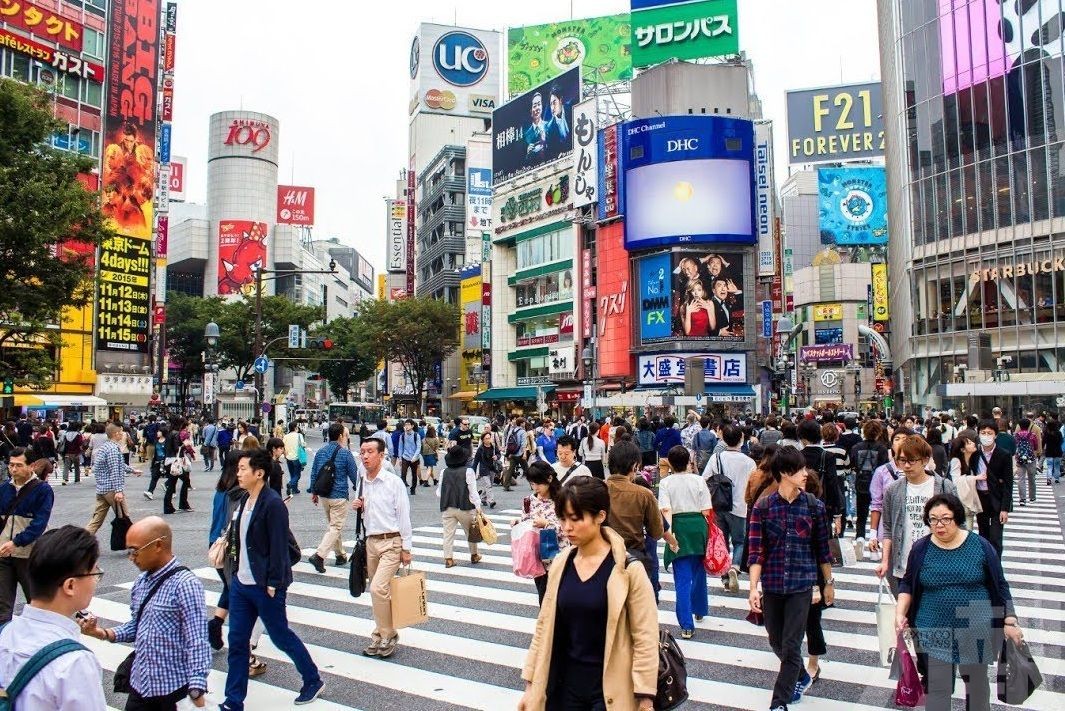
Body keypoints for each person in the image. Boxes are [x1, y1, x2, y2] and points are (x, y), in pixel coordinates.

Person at [518, 476, 658, 711]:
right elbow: (544, 626)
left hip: (611, 688)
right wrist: (530, 685)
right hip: (564, 686)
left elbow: (645, 635)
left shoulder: (628, 569)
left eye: (576, 518)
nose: (567, 527)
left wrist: (645, 697)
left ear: (600, 516)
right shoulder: (562, 563)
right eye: (563, 519)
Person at [896, 494, 1025, 711]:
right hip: (933, 626)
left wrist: (1010, 620)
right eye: (933, 519)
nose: (939, 525)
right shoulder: (921, 548)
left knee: (976, 686)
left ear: (957, 518)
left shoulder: (980, 545)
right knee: (938, 688)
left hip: (975, 626)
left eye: (945, 518)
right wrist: (900, 613)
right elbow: (908, 583)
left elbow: (999, 584)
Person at [220, 449, 324, 708]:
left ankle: (312, 679)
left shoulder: (273, 504)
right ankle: (233, 701)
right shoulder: (243, 500)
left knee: (280, 636)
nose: (238, 473)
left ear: (259, 473)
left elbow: (279, 547)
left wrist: (273, 583)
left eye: (244, 469)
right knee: (237, 642)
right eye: (239, 468)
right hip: (241, 584)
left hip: (265, 585)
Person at [79, 517, 209, 709]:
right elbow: (137, 625)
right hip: (140, 685)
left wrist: (197, 687)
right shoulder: (141, 582)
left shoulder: (185, 584)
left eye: (135, 550)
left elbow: (197, 638)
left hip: (172, 690)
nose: (131, 557)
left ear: (158, 545)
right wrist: (102, 633)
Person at [747, 446, 835, 711]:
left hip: (801, 584)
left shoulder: (813, 506)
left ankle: (778, 702)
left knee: (791, 642)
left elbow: (823, 549)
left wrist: (828, 583)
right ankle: (800, 675)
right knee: (776, 640)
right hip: (772, 583)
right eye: (799, 469)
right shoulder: (763, 507)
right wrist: (752, 588)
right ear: (785, 473)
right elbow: (756, 551)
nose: (805, 473)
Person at [0, 525, 107, 709]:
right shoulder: (75, 662)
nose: (95, 581)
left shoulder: (5, 633)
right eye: (94, 573)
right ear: (70, 586)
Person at [353, 437, 413, 659]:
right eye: (362, 452)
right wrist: (358, 505)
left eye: (370, 452)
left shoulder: (393, 482)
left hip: (391, 541)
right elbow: (365, 509)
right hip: (371, 541)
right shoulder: (362, 481)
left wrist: (406, 548)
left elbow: (403, 515)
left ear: (381, 455)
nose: (365, 456)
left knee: (378, 588)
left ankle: (388, 634)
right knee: (376, 590)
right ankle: (379, 634)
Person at [876, 436, 958, 598]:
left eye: (912, 460)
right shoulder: (893, 490)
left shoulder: (944, 486)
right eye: (902, 460)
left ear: (925, 460)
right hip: (903, 564)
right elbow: (887, 527)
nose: (906, 466)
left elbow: (958, 526)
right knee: (906, 617)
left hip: (937, 564)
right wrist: (885, 561)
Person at [659, 445, 711, 639]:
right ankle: (699, 609)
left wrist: (670, 536)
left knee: (682, 578)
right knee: (699, 570)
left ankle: (686, 625)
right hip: (698, 526)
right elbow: (707, 509)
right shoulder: (699, 480)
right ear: (688, 461)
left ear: (670, 463)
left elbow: (665, 510)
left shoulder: (666, 483)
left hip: (679, 526)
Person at [0, 448, 54, 623]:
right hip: (3, 553)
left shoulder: (43, 490)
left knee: (36, 601)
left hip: (29, 554)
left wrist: (16, 542)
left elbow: (39, 524)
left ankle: (41, 643)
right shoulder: (3, 489)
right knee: (2, 606)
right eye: (11, 465)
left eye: (18, 465)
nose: (13, 469)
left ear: (31, 466)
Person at [701, 424, 755, 593]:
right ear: (741, 439)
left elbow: (704, 479)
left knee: (722, 541)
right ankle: (736, 567)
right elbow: (753, 486)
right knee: (740, 541)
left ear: (723, 439)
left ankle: (724, 576)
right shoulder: (749, 462)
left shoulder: (716, 458)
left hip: (719, 505)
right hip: (740, 506)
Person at [604, 438, 664, 577]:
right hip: (633, 558)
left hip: (603, 558)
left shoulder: (597, 489)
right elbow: (656, 532)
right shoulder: (644, 494)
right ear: (635, 466)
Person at [308, 423, 360, 573]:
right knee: (335, 527)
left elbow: (314, 472)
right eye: (345, 435)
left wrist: (314, 492)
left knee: (333, 526)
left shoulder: (321, 452)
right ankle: (319, 555)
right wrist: (360, 492)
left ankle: (340, 555)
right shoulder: (345, 453)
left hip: (324, 494)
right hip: (339, 495)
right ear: (340, 436)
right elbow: (354, 475)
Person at [515, 461, 567, 604]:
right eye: (532, 484)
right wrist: (518, 523)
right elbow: (526, 521)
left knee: (553, 598)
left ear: (549, 479)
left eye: (538, 483)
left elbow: (568, 529)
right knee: (543, 595)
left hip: (557, 556)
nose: (535, 487)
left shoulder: (562, 500)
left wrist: (547, 524)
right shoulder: (529, 501)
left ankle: (550, 624)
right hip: (537, 556)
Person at [86, 423, 142, 535]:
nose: (122, 434)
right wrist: (119, 490)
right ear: (116, 434)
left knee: (96, 521)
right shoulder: (112, 449)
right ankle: (133, 543)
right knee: (124, 517)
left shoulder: (106, 447)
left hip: (102, 488)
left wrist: (132, 470)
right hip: (111, 489)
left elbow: (117, 464)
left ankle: (79, 543)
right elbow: (114, 470)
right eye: (121, 432)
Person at [970, 419, 1013, 557]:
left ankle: (996, 570)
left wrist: (1005, 509)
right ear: (978, 434)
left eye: (989, 433)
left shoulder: (1004, 454)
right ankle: (986, 567)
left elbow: (1008, 483)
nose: (986, 435)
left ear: (995, 435)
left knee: (995, 538)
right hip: (980, 499)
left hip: (996, 500)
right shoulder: (974, 454)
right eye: (983, 432)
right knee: (983, 536)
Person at [867, 427, 913, 554]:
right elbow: (876, 505)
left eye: (905, 439)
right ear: (892, 446)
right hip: (890, 531)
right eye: (897, 439)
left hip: (915, 529)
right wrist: (873, 534)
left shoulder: (922, 470)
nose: (901, 442)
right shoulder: (882, 472)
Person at [797, 419, 844, 538]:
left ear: (803, 438)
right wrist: (837, 514)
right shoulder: (828, 456)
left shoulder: (797, 456)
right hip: (823, 506)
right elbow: (833, 484)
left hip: (799, 506)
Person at [438, 445, 482, 569]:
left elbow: (439, 492)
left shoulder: (444, 472)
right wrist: (478, 506)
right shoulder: (468, 471)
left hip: (447, 507)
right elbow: (473, 492)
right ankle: (474, 555)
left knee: (448, 534)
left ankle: (448, 558)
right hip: (465, 506)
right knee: (470, 532)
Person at [848, 420, 890, 540]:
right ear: (878, 433)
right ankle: (875, 537)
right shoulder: (882, 449)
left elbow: (853, 464)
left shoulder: (856, 447)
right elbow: (884, 466)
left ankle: (860, 537)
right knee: (877, 510)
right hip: (878, 484)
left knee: (861, 514)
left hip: (861, 482)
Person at [1012, 418, 1040, 505]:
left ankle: (1022, 499)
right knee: (1032, 478)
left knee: (1021, 479)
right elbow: (1035, 446)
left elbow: (1014, 446)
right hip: (1031, 459)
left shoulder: (1016, 435)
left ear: (1019, 426)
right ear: (1029, 426)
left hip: (1020, 459)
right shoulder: (1032, 435)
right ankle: (1032, 498)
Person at [472, 431, 500, 509]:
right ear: (483, 440)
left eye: (489, 438)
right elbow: (476, 461)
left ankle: (483, 498)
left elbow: (499, 454)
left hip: (492, 468)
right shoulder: (480, 449)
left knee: (489, 485)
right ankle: (491, 501)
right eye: (486, 438)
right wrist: (473, 471)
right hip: (484, 469)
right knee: (488, 485)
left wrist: (496, 457)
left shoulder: (493, 446)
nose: (488, 440)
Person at [395, 419, 423, 495]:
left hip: (414, 458)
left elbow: (418, 447)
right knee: (403, 474)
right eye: (405, 425)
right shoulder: (402, 435)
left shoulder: (416, 435)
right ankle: (403, 489)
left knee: (414, 474)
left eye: (408, 424)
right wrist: (400, 458)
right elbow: (400, 448)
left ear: (412, 426)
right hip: (405, 457)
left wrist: (415, 457)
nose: (406, 426)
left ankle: (413, 488)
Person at [503, 417, 528, 490]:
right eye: (524, 422)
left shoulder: (512, 430)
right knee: (527, 470)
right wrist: (524, 454)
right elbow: (523, 444)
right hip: (520, 454)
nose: (525, 423)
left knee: (510, 470)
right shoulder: (523, 432)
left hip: (512, 453)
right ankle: (533, 485)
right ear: (521, 423)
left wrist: (508, 452)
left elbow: (508, 442)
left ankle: (506, 485)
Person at [282, 422, 306, 495]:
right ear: (296, 427)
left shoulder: (286, 436)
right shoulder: (299, 435)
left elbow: (283, 446)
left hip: (288, 458)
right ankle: (290, 484)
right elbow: (303, 445)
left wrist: (285, 455)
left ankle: (295, 489)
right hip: (297, 458)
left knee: (292, 474)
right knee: (297, 475)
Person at [1044, 413, 1062, 484]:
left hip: (1049, 451)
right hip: (1057, 451)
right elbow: (1061, 441)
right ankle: (1057, 478)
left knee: (1049, 466)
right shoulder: (1059, 433)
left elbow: (1044, 441)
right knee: (1057, 466)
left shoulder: (1046, 433)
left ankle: (1049, 478)